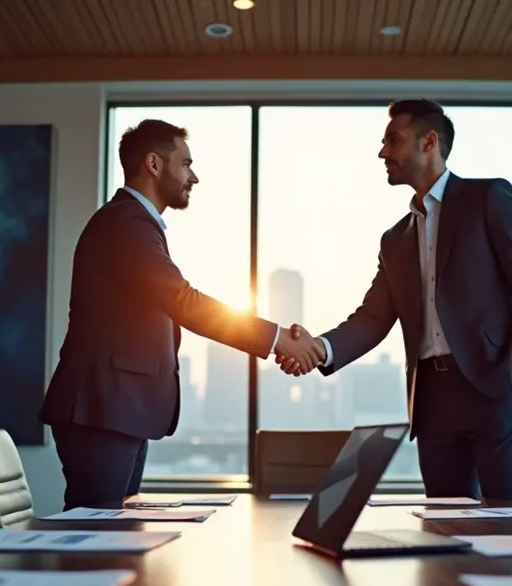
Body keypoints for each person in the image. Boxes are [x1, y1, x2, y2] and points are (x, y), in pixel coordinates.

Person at [42, 119, 324, 510]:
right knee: (96, 536)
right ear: (154, 164)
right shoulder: (126, 224)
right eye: (186, 164)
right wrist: (276, 338)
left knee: (116, 535)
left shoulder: (134, 224)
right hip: (101, 410)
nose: (194, 177)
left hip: (117, 409)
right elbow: (184, 302)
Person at [280, 99, 512, 504]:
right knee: (444, 528)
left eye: (393, 140)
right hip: (432, 399)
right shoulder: (395, 239)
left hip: (497, 390)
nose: (382, 152)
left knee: (509, 526)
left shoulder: (489, 198)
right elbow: (373, 318)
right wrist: (320, 348)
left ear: (429, 142)